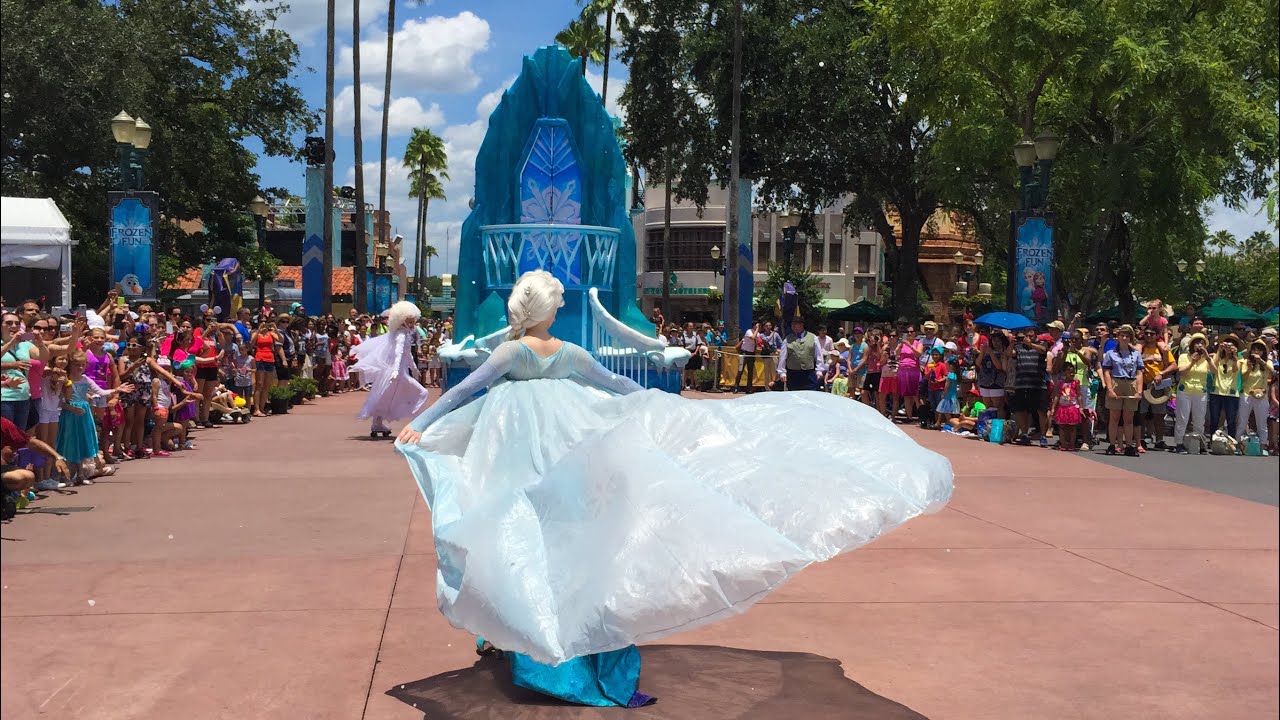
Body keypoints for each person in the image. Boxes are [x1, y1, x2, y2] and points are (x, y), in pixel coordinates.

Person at [393, 270, 952, 708]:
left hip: (515, 452)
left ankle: (525, 637)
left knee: (517, 536)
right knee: (566, 542)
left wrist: (425, 422)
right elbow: (615, 386)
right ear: (547, 307)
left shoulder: (516, 353)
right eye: (558, 299)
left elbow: (466, 388)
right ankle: (542, 641)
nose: (563, 305)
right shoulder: (566, 354)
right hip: (564, 448)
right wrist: (660, 403)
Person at [352, 301, 429, 437]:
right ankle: (416, 422)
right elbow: (398, 353)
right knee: (422, 392)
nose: (412, 324)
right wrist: (396, 370)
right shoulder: (400, 335)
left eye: (413, 321)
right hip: (397, 373)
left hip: (399, 372)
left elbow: (407, 353)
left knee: (386, 396)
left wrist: (414, 368)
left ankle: (377, 423)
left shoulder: (404, 334)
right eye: (409, 321)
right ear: (401, 320)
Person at [1100, 324, 1143, 456]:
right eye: (1122, 335)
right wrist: (1110, 389)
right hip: (1116, 382)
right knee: (1114, 417)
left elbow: (1139, 372)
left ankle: (1129, 445)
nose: (1124, 338)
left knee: (1129, 418)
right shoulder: (1111, 353)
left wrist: (1139, 390)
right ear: (1118, 337)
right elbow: (1106, 371)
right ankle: (1112, 444)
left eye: (1127, 336)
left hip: (1130, 383)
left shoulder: (1135, 354)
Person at [777, 316, 825, 391]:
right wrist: (782, 372)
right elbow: (782, 357)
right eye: (793, 325)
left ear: (802, 325)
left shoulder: (813, 337)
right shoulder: (787, 339)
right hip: (793, 374)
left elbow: (818, 355)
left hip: (809, 373)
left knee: (811, 395)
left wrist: (819, 370)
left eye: (797, 325)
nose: (795, 327)